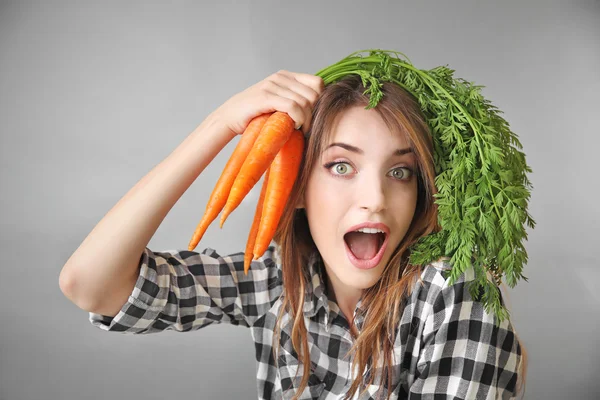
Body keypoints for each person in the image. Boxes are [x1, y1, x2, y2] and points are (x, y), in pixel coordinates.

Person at [59, 70, 527, 399]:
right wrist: (220, 125)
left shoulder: (453, 292)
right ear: (298, 188)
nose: (376, 198)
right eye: (341, 166)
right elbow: (90, 284)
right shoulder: (277, 282)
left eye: (400, 171)